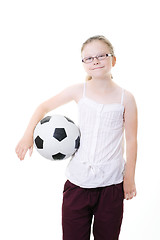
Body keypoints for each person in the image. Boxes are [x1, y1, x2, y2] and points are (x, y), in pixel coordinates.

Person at [15, 35, 138, 240]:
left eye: (101, 55)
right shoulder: (78, 91)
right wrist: (28, 135)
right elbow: (43, 107)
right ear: (83, 64)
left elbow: (132, 140)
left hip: (112, 184)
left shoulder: (127, 98)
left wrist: (130, 179)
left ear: (113, 60)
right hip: (78, 183)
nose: (95, 61)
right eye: (88, 58)